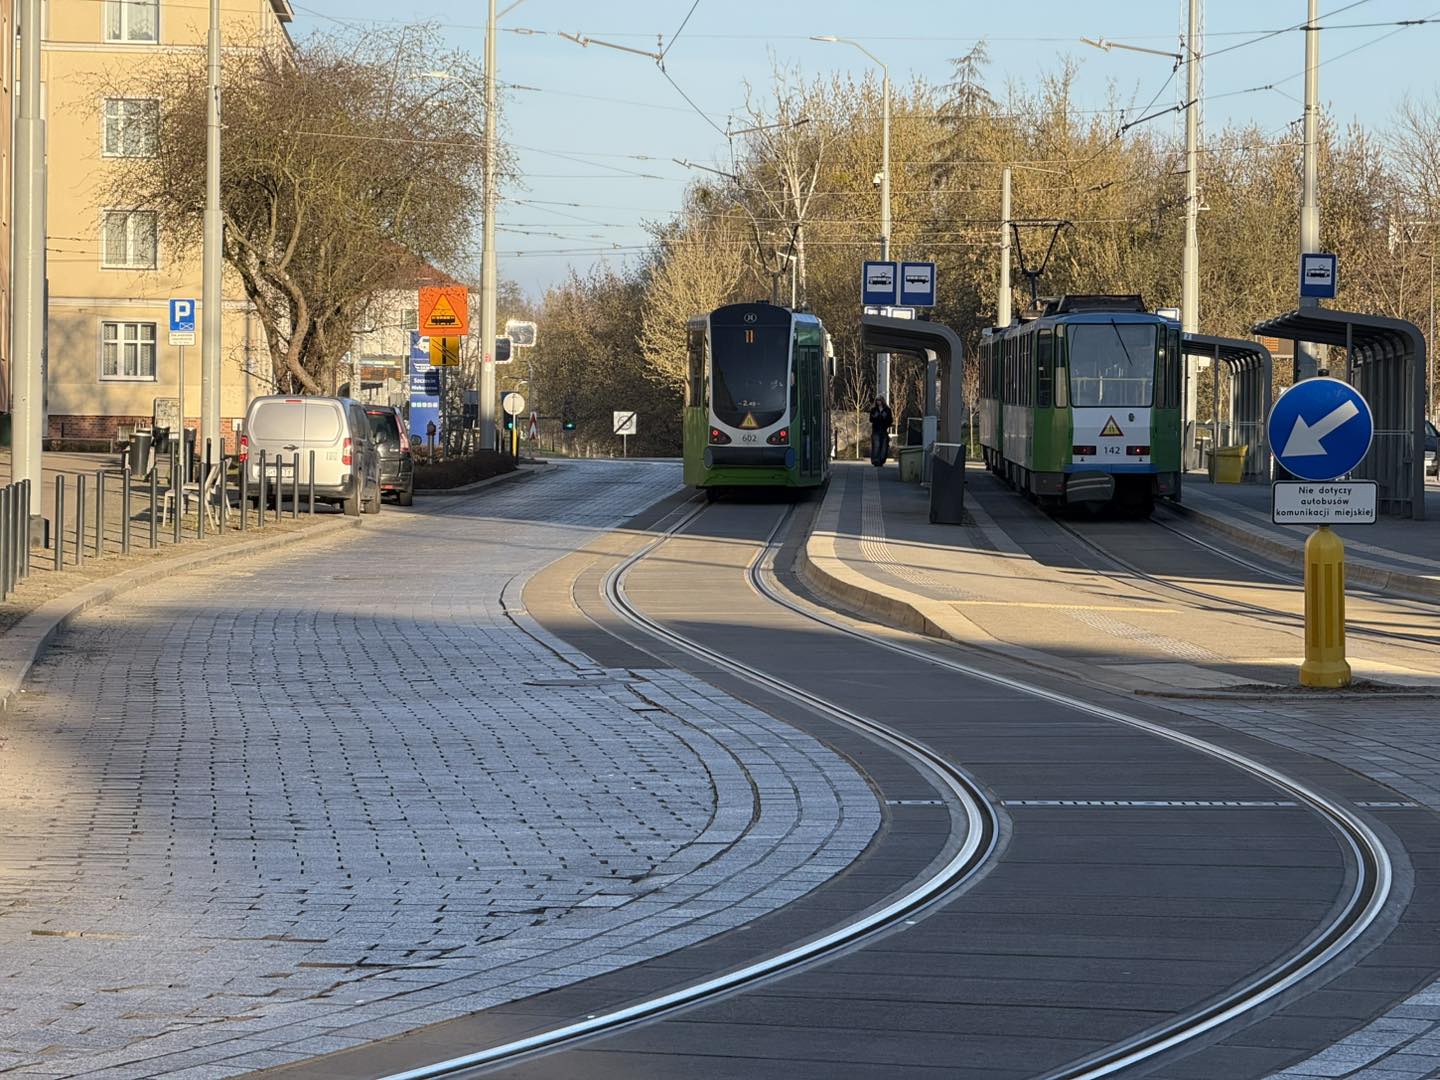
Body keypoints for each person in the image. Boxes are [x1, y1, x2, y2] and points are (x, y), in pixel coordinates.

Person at [868, 396, 893, 466]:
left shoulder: (887, 410)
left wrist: (885, 418)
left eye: (879, 400)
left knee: (884, 445)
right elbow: (870, 419)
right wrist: (875, 417)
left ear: (882, 401)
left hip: (884, 429)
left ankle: (882, 460)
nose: (878, 402)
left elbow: (890, 420)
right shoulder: (874, 410)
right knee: (876, 445)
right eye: (877, 400)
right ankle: (875, 460)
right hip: (876, 430)